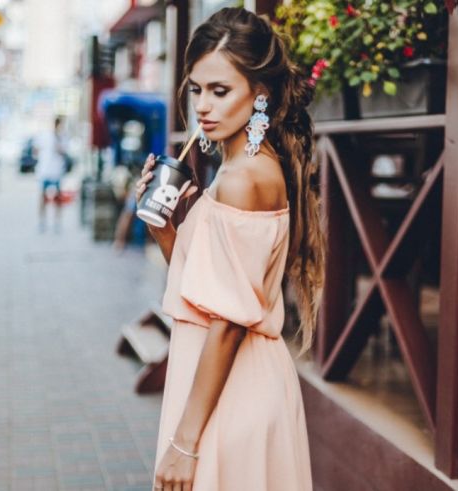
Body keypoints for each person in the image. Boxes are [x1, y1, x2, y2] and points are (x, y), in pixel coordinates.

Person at [135, 8, 324, 491]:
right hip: (217, 385)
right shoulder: (240, 167)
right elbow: (208, 292)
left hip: (231, 395)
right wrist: (167, 231)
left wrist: (184, 443)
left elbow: (226, 324)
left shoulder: (244, 179)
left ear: (259, 95)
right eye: (197, 88)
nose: (203, 105)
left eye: (221, 91)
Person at [35, 116, 67, 233]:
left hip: (57, 171)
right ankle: (42, 221)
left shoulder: (62, 137)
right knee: (43, 197)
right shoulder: (46, 136)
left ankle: (57, 221)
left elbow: (64, 151)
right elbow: (37, 149)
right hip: (45, 171)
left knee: (58, 198)